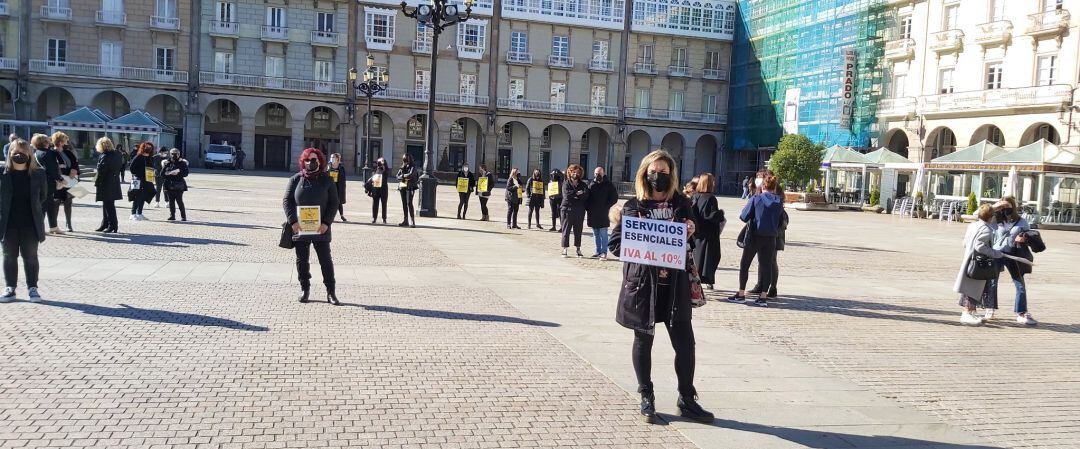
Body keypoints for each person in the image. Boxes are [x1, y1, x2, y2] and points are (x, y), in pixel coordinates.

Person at [608, 149, 712, 425]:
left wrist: (690, 231)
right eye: (653, 172)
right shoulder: (633, 207)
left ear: (672, 175)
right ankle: (646, 395)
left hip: (675, 286)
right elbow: (616, 245)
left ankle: (687, 399)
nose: (658, 176)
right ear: (644, 174)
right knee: (643, 342)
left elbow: (694, 237)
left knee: (686, 345)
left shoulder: (682, 204)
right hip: (644, 287)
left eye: (664, 172)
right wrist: (635, 238)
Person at [284, 148, 340, 305]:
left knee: (326, 260)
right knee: (302, 260)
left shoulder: (326, 180)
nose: (310, 162)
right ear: (303, 161)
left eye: (314, 160)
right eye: (307, 160)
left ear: (320, 162)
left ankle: (331, 292)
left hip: (321, 229)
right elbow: (287, 201)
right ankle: (305, 289)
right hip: (300, 228)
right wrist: (293, 222)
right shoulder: (295, 180)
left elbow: (334, 202)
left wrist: (326, 223)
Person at [727, 170, 784, 307]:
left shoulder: (756, 199)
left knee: (745, 264)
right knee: (766, 266)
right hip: (771, 237)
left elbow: (744, 216)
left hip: (755, 235)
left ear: (763, 186)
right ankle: (763, 296)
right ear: (774, 187)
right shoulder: (779, 202)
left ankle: (741, 294)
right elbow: (781, 221)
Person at [0, 139, 47, 302]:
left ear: (30, 154)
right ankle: (10, 288)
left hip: (30, 223)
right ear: (10, 153)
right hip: (7, 223)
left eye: (24, 151)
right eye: (16, 151)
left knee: (30, 256)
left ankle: (32, 288)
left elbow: (42, 197)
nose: (20, 155)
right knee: (8, 256)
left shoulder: (39, 173)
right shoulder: (2, 172)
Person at [987, 197, 1036, 325]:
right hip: (997, 253)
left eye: (1007, 206)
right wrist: (995, 206)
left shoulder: (1022, 222)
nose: (1004, 209)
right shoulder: (995, 219)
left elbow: (1030, 236)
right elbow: (978, 216)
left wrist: (1024, 238)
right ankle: (990, 308)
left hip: (1014, 255)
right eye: (1002, 207)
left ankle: (1021, 312)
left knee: (1020, 284)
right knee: (992, 282)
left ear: (1013, 207)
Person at [954, 204, 1002, 325]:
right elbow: (979, 246)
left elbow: (965, 243)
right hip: (978, 263)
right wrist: (995, 253)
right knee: (973, 288)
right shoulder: (986, 229)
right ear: (991, 217)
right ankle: (967, 313)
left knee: (969, 287)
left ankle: (970, 312)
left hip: (969, 259)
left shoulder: (972, 225)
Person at [689, 173, 725, 290]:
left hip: (697, 233)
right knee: (709, 258)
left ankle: (696, 281)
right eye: (712, 181)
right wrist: (721, 213)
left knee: (697, 258)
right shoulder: (710, 198)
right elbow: (710, 215)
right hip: (708, 234)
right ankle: (704, 280)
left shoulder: (696, 196)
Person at [31, 134, 62, 234]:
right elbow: (52, 169)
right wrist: (60, 179)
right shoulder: (49, 153)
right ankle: (39, 228)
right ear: (45, 142)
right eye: (48, 140)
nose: (49, 141)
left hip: (38, 182)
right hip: (48, 183)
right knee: (44, 206)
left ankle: (53, 227)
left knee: (50, 205)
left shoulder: (36, 153)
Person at [585, 166, 618, 259]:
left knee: (603, 234)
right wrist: (588, 208)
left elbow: (614, 197)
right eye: (596, 173)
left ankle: (604, 252)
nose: (597, 175)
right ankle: (597, 251)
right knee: (595, 234)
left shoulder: (609, 185)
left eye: (599, 173)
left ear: (603, 173)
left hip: (604, 213)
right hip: (593, 214)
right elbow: (587, 198)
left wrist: (607, 206)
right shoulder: (591, 184)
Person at [93, 137, 123, 233]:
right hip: (114, 181)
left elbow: (102, 170)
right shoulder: (117, 154)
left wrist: (96, 181)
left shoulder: (105, 156)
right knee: (108, 204)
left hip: (106, 182)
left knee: (108, 205)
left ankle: (112, 225)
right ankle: (105, 223)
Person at [560, 164, 590, 258]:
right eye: (574, 171)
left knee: (578, 230)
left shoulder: (583, 184)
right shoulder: (566, 183)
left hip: (579, 211)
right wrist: (577, 193)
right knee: (566, 230)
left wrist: (576, 195)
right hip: (567, 210)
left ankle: (578, 249)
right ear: (570, 172)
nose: (576, 173)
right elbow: (567, 196)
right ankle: (565, 249)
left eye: (578, 172)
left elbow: (585, 195)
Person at [52, 132, 79, 233]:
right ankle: (54, 225)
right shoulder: (52, 153)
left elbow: (75, 163)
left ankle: (69, 224)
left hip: (70, 181)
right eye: (65, 140)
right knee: (56, 203)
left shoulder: (68, 152)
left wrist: (74, 169)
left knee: (68, 202)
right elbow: (53, 167)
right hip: (59, 181)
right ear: (60, 141)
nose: (67, 142)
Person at [127, 142, 157, 221]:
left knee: (143, 196)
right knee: (136, 195)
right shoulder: (138, 156)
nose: (148, 149)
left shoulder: (150, 158)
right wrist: (138, 173)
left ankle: (139, 213)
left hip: (147, 179)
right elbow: (131, 167)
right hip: (137, 179)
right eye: (147, 147)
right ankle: (133, 213)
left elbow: (152, 167)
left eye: (150, 147)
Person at [161, 148, 190, 221]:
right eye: (172, 153)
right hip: (169, 184)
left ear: (178, 154)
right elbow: (162, 174)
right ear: (170, 154)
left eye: (176, 154)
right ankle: (172, 215)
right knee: (171, 201)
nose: (174, 155)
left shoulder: (182, 163)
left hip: (179, 184)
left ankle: (183, 216)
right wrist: (168, 173)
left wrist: (178, 173)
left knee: (179, 201)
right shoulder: (167, 163)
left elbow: (186, 173)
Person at [396, 154, 418, 227]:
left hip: (410, 186)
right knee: (404, 203)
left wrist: (402, 176)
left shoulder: (413, 166)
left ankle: (412, 221)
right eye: (404, 160)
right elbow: (397, 176)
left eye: (407, 160)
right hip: (403, 185)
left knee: (409, 203)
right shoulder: (403, 167)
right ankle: (405, 220)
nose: (405, 161)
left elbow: (411, 175)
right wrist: (403, 176)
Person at [328, 153, 348, 222]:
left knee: (339, 202)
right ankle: (330, 216)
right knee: (330, 202)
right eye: (331, 157)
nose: (332, 159)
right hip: (330, 187)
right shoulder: (329, 167)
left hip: (338, 187)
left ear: (337, 159)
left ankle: (342, 215)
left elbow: (343, 179)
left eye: (333, 157)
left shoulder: (341, 168)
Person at [369, 157, 389, 224]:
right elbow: (373, 177)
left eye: (382, 161)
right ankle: (374, 218)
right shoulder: (375, 169)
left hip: (383, 189)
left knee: (384, 204)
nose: (381, 162)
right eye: (380, 161)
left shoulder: (386, 169)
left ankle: (384, 218)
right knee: (375, 204)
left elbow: (386, 173)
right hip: (376, 188)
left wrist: (383, 165)